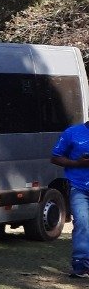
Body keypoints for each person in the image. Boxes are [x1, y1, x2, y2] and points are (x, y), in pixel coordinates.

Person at [51, 119, 89, 278]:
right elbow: (55, 157)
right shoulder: (72, 133)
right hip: (79, 187)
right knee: (82, 222)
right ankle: (81, 264)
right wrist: (77, 163)